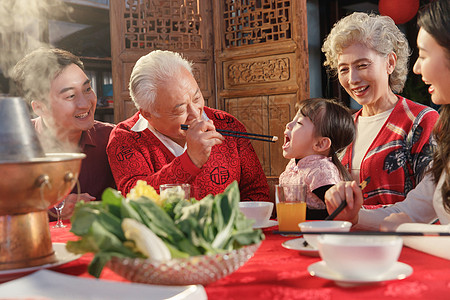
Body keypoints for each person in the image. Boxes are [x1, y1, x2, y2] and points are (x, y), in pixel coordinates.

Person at [324, 0, 450, 233]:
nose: (352, 79)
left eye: (362, 65)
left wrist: (359, 217)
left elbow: (424, 212)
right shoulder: (344, 128)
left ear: (390, 62)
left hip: (404, 249)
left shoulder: (421, 121)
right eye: (343, 69)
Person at [106, 50, 270, 201]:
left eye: (197, 98)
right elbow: (135, 199)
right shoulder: (125, 138)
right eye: (180, 109)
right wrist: (191, 160)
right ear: (147, 114)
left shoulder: (228, 124)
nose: (195, 113)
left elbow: (258, 193)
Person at [12, 48, 115, 219]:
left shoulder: (112, 138)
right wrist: (53, 207)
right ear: (39, 107)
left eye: (88, 89)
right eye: (71, 96)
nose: (85, 104)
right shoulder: (14, 146)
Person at [279, 98, 356, 219]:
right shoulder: (294, 164)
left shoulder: (320, 170)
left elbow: (338, 212)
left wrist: (300, 214)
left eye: (299, 123)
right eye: (293, 120)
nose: (288, 125)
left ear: (320, 144)